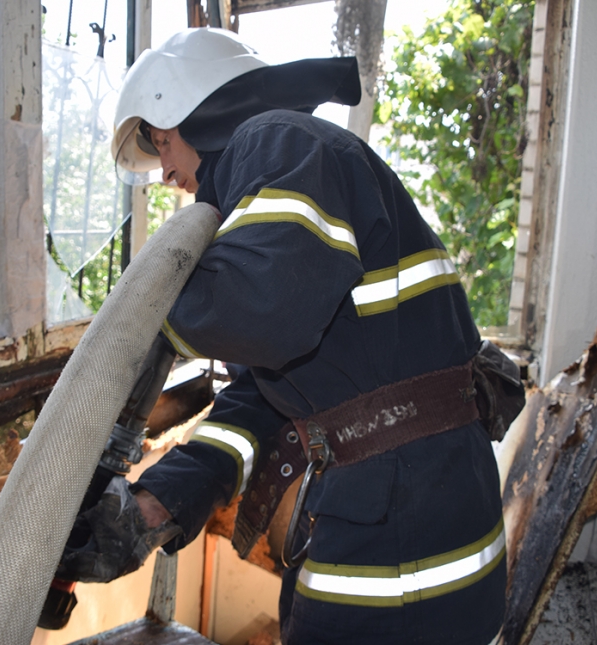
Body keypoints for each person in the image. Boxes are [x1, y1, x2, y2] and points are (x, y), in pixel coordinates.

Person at [58, 27, 506, 645]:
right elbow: (261, 395)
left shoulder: (275, 141)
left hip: (400, 542)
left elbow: (258, 314)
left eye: (163, 142)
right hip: (416, 503)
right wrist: (159, 503)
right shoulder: (293, 176)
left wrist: (145, 311)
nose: (166, 172)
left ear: (206, 114)